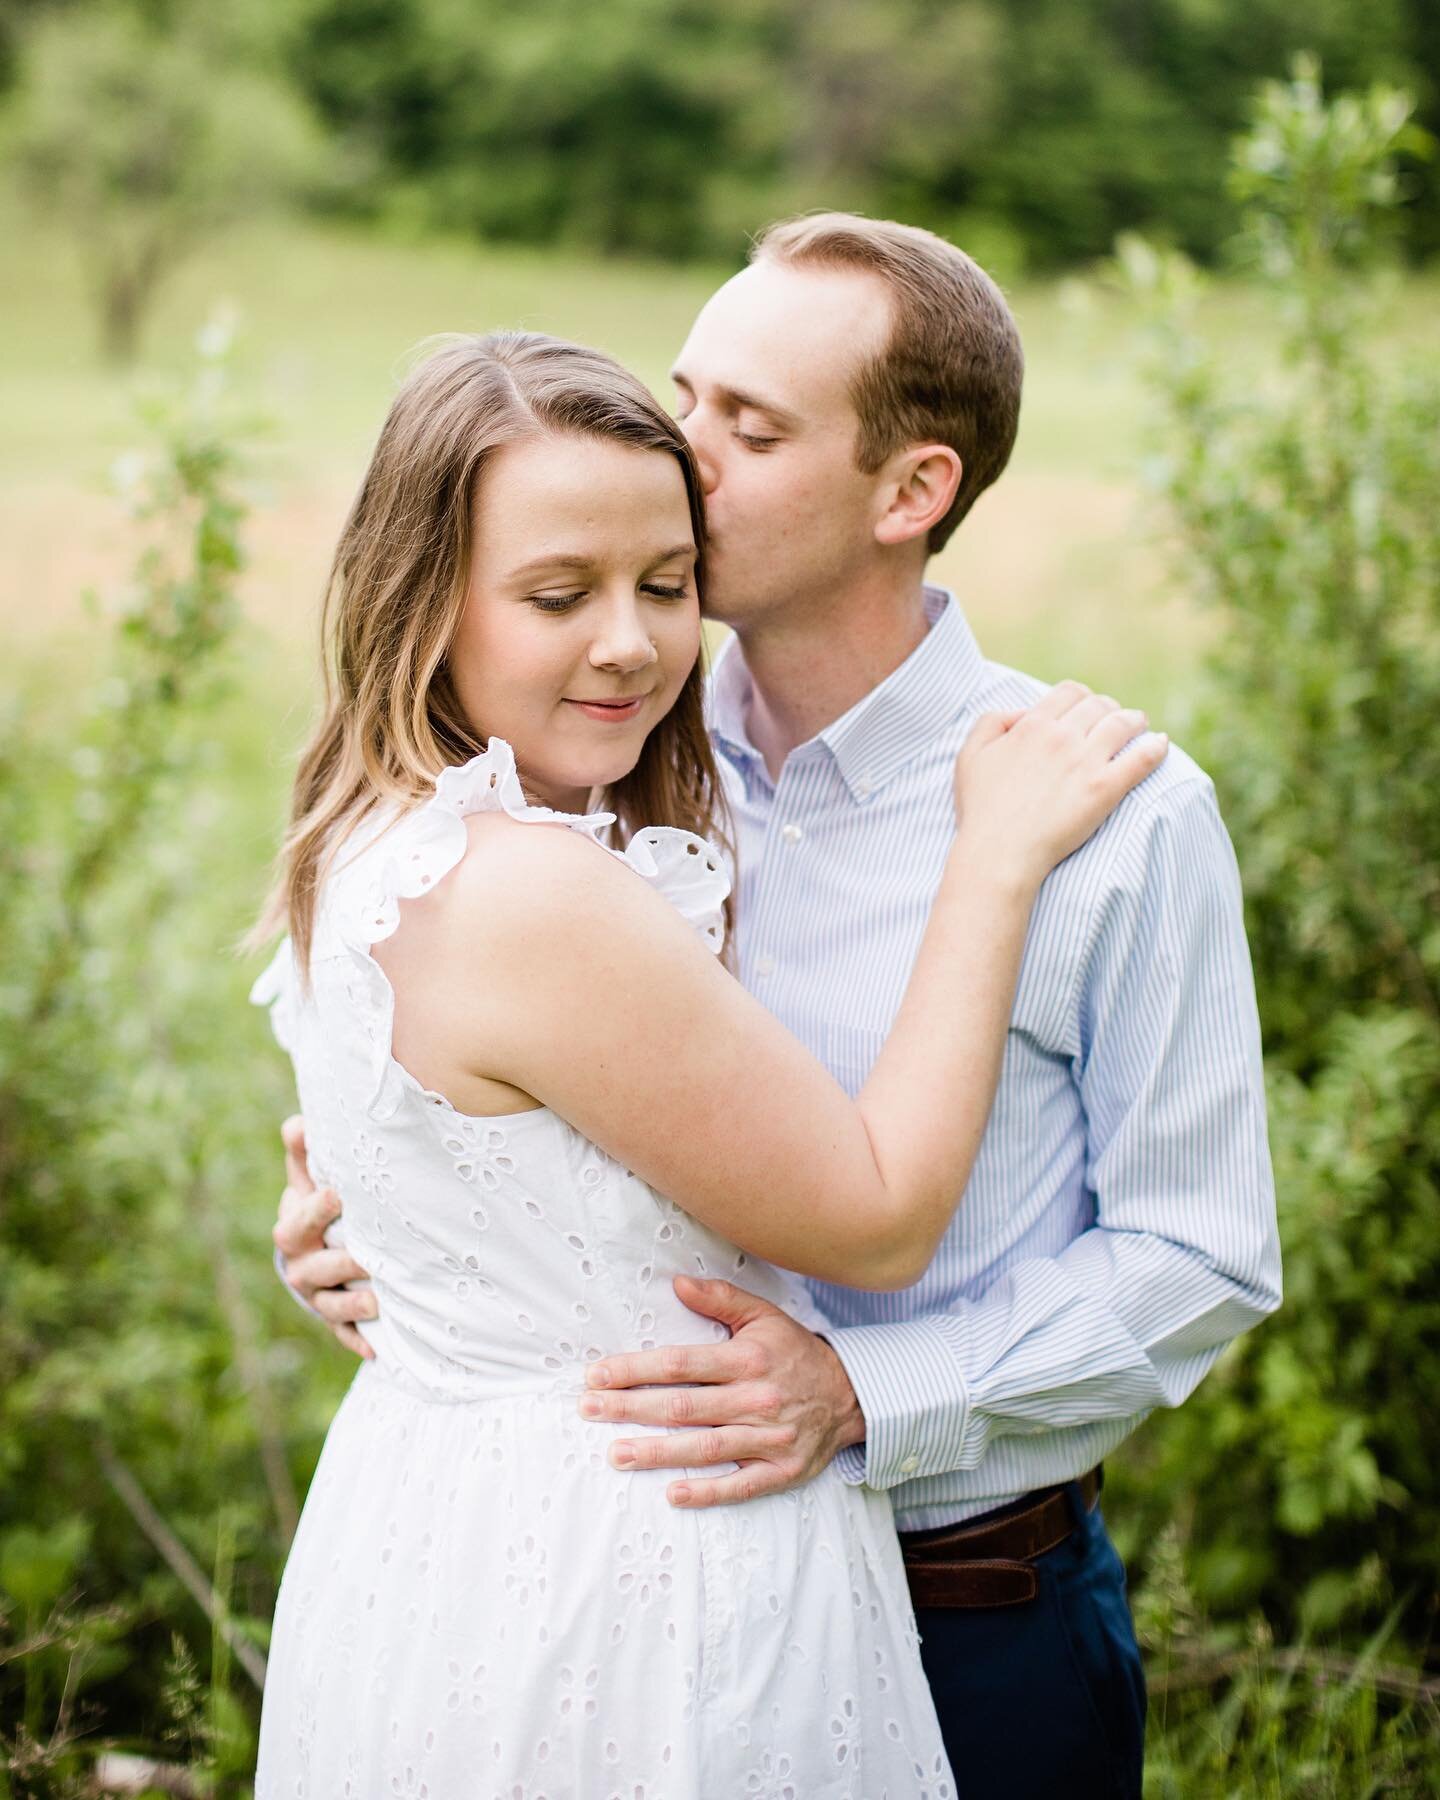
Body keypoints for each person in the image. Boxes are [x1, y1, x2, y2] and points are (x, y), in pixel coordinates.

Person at [275, 214, 1282, 1799]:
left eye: (747, 427)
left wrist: (869, 1395)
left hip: (975, 1609)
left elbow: (1200, 1254)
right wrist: (377, 1216)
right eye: (688, 397)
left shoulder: (1108, 818)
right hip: (627, 1607)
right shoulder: (603, 760)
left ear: (912, 490)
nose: (682, 454)